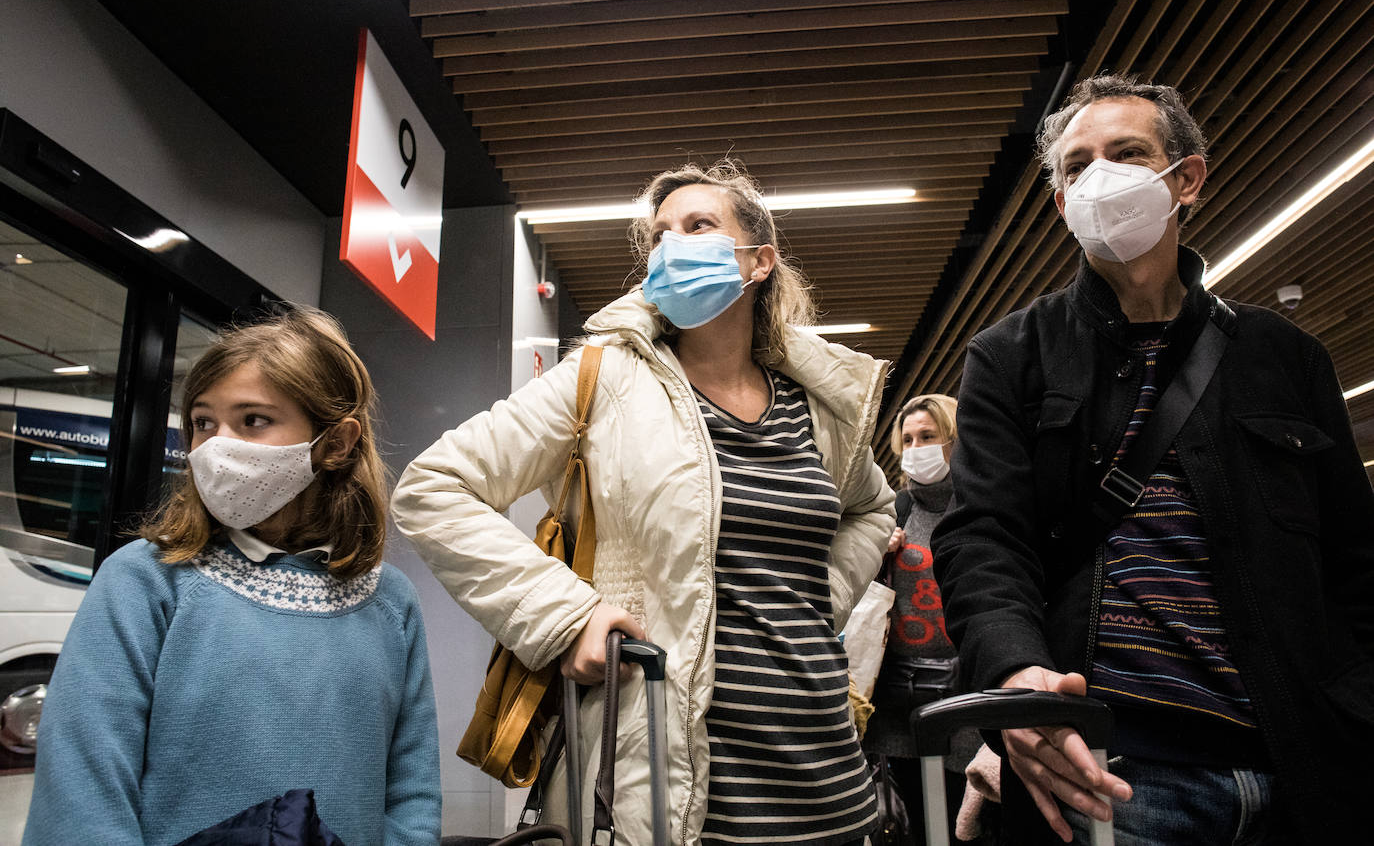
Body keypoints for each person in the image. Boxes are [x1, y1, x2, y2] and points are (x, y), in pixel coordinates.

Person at [391, 159, 896, 846]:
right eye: (660, 236)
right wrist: (566, 616)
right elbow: (433, 486)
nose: (672, 246)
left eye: (699, 226)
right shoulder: (604, 382)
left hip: (829, 776)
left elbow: (873, 508)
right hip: (677, 780)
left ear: (759, 262)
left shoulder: (819, 408)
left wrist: (821, 598)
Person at [931, 72, 1374, 844]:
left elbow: (1357, 561)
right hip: (1115, 775)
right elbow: (983, 540)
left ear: (1187, 178)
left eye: (1128, 153)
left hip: (1303, 766)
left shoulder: (1285, 358)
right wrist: (1015, 677)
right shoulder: (1010, 356)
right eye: (1077, 167)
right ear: (1063, 204)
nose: (1100, 176)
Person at [23, 305, 441, 846]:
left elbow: (412, 794)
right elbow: (81, 790)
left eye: (253, 420)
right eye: (203, 422)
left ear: (334, 444)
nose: (217, 446)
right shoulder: (145, 581)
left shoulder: (390, 601)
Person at [863, 394, 985, 844]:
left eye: (928, 437)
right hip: (903, 701)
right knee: (914, 822)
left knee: (968, 824)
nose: (916, 448)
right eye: (908, 439)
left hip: (970, 695)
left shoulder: (981, 507)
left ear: (955, 440)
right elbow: (858, 602)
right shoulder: (894, 512)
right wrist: (875, 555)